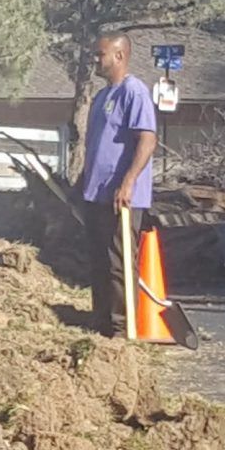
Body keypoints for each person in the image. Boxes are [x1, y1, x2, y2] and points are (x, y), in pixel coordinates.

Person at [78, 31, 157, 337]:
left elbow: (147, 141)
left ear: (120, 56)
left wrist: (127, 183)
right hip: (96, 194)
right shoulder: (102, 97)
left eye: (101, 55)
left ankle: (123, 329)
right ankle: (100, 322)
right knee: (98, 260)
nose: (96, 60)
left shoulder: (133, 92)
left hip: (122, 197)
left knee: (118, 263)